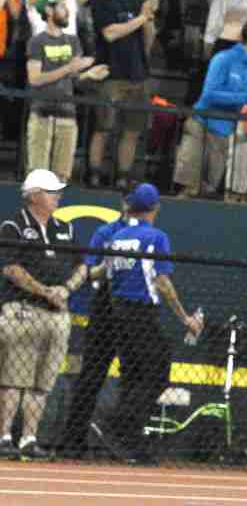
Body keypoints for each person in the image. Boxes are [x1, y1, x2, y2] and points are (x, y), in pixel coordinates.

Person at [87, 183, 201, 464]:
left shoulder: (118, 237)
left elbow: (103, 274)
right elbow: (162, 281)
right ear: (155, 208)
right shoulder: (156, 237)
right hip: (141, 313)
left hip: (117, 314)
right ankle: (116, 425)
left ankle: (130, 443)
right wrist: (185, 317)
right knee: (158, 372)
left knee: (133, 377)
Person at [0, 170, 87, 460]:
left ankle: (29, 438)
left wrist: (66, 288)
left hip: (57, 315)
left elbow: (82, 266)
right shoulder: (13, 226)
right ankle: (3, 437)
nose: (57, 197)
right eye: (51, 192)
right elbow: (11, 269)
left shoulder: (66, 228)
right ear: (34, 195)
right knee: (13, 377)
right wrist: (44, 291)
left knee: (43, 382)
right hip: (22, 311)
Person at [57, 186, 138, 459]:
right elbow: (90, 271)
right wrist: (108, 266)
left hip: (135, 312)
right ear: (123, 203)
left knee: (137, 378)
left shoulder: (149, 236)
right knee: (91, 376)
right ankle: (73, 440)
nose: (133, 207)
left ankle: (124, 440)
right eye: (130, 202)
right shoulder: (106, 233)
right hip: (106, 309)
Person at [173, 20, 247, 198]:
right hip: (200, 126)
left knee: (208, 192)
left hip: (224, 133)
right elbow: (209, 94)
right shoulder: (223, 59)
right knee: (190, 189)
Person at [88, 0, 159, 189]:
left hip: (138, 74)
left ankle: (122, 177)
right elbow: (110, 33)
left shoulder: (140, 1)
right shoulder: (103, 0)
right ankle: (94, 173)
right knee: (103, 128)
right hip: (111, 73)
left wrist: (149, 19)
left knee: (132, 131)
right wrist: (142, 17)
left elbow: (148, 42)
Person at [26, 0, 109, 182]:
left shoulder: (73, 41)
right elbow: (35, 79)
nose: (67, 10)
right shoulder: (37, 42)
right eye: (62, 6)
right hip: (41, 115)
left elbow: (73, 78)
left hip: (67, 116)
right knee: (37, 177)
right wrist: (69, 67)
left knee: (61, 177)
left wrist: (89, 74)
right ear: (48, 11)